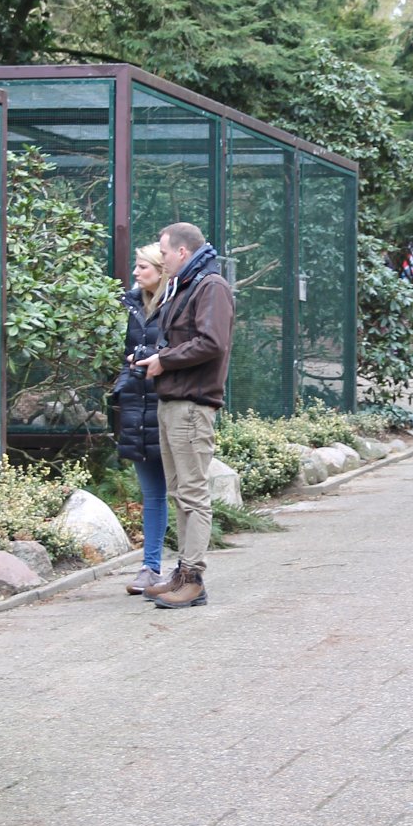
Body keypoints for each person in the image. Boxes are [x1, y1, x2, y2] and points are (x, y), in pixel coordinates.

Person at [132, 222, 233, 609]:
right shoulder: (185, 285)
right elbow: (181, 340)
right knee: (179, 492)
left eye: (164, 249)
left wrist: (164, 360)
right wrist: (150, 359)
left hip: (192, 404)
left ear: (182, 252)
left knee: (193, 493)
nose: (160, 256)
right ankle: (182, 571)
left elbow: (212, 342)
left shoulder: (211, 286)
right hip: (172, 400)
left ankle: (194, 578)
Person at [113, 244, 168, 595]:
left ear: (162, 270)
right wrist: (122, 385)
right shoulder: (130, 306)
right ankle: (150, 568)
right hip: (136, 408)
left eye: (143, 266)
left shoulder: (178, 305)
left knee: (183, 493)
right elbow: (123, 355)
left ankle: (189, 570)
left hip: (170, 406)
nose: (135, 273)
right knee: (152, 495)